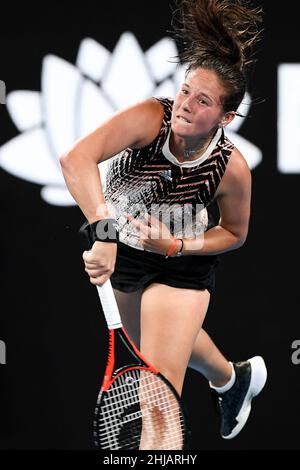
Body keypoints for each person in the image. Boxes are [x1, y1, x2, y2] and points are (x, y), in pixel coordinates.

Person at [60, 0, 267, 444]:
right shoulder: (150, 118)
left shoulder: (231, 169)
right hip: (126, 259)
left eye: (204, 100)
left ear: (226, 117)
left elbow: (234, 233)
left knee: (157, 392)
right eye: (187, 90)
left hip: (180, 270)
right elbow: (76, 159)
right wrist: (104, 231)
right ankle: (233, 379)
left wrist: (177, 247)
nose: (186, 104)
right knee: (171, 343)